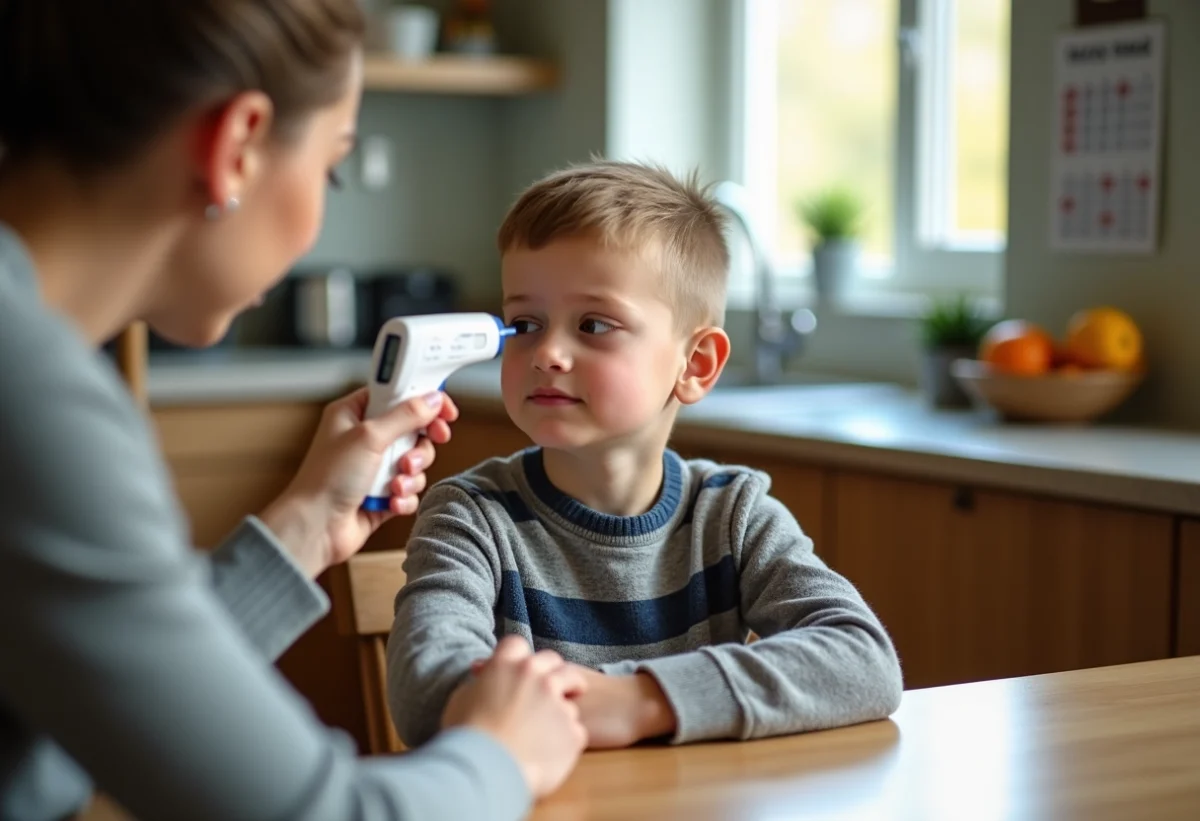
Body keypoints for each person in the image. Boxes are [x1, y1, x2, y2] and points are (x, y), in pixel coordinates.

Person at [0, 2, 588, 820]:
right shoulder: (33, 401)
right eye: (332, 167)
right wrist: (502, 754)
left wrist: (311, 519)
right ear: (236, 146)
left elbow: (110, 698)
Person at [388, 160, 905, 750]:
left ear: (696, 365)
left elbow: (864, 659)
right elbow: (427, 698)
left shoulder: (733, 513)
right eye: (524, 323)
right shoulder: (470, 517)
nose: (547, 353)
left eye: (593, 324)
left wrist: (640, 701)